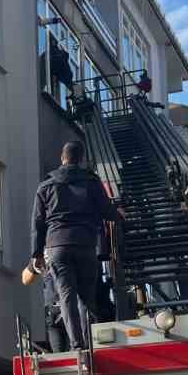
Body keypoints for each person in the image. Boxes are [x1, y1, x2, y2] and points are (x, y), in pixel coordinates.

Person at [31, 140, 124, 351]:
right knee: (85, 297)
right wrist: (119, 217)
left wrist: (36, 253)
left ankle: (76, 346)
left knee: (66, 296)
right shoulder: (90, 181)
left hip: (56, 247)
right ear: (80, 159)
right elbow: (106, 210)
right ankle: (88, 342)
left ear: (62, 158)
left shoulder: (45, 186)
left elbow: (37, 223)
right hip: (84, 244)